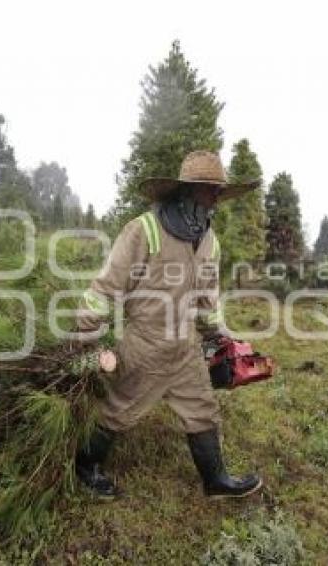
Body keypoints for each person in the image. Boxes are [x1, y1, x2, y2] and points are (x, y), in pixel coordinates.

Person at [73, 150, 263, 499]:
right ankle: (85, 469)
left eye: (219, 190)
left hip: (185, 348)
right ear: (188, 189)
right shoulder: (143, 229)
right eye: (210, 190)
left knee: (202, 409)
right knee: (118, 411)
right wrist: (87, 338)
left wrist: (220, 337)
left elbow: (207, 298)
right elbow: (106, 288)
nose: (216, 198)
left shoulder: (209, 240)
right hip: (145, 346)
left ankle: (216, 481)